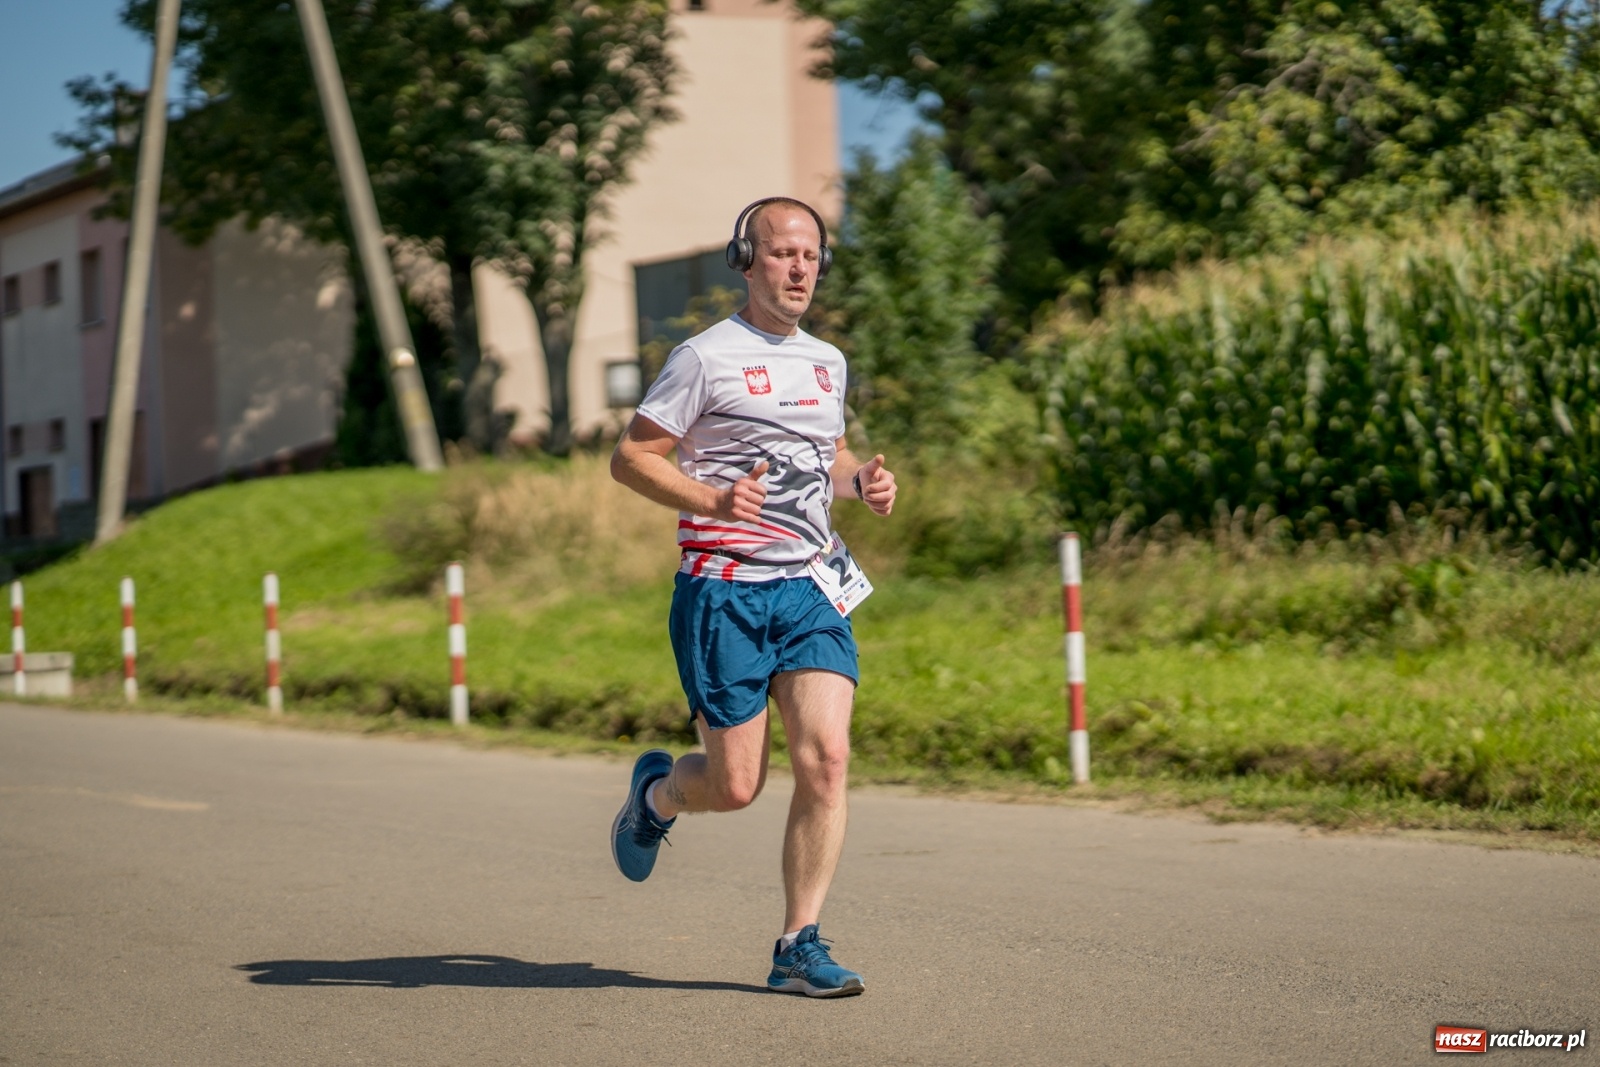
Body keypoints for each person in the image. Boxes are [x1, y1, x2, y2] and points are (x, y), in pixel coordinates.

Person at [607, 197, 897, 998]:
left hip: (807, 586)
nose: (799, 268)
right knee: (736, 787)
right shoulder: (705, 357)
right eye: (781, 253)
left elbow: (826, 456)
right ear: (747, 259)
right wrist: (710, 501)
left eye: (811, 255)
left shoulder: (827, 361)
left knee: (827, 759)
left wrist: (862, 482)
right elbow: (632, 458)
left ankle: (796, 945)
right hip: (722, 594)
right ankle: (658, 794)